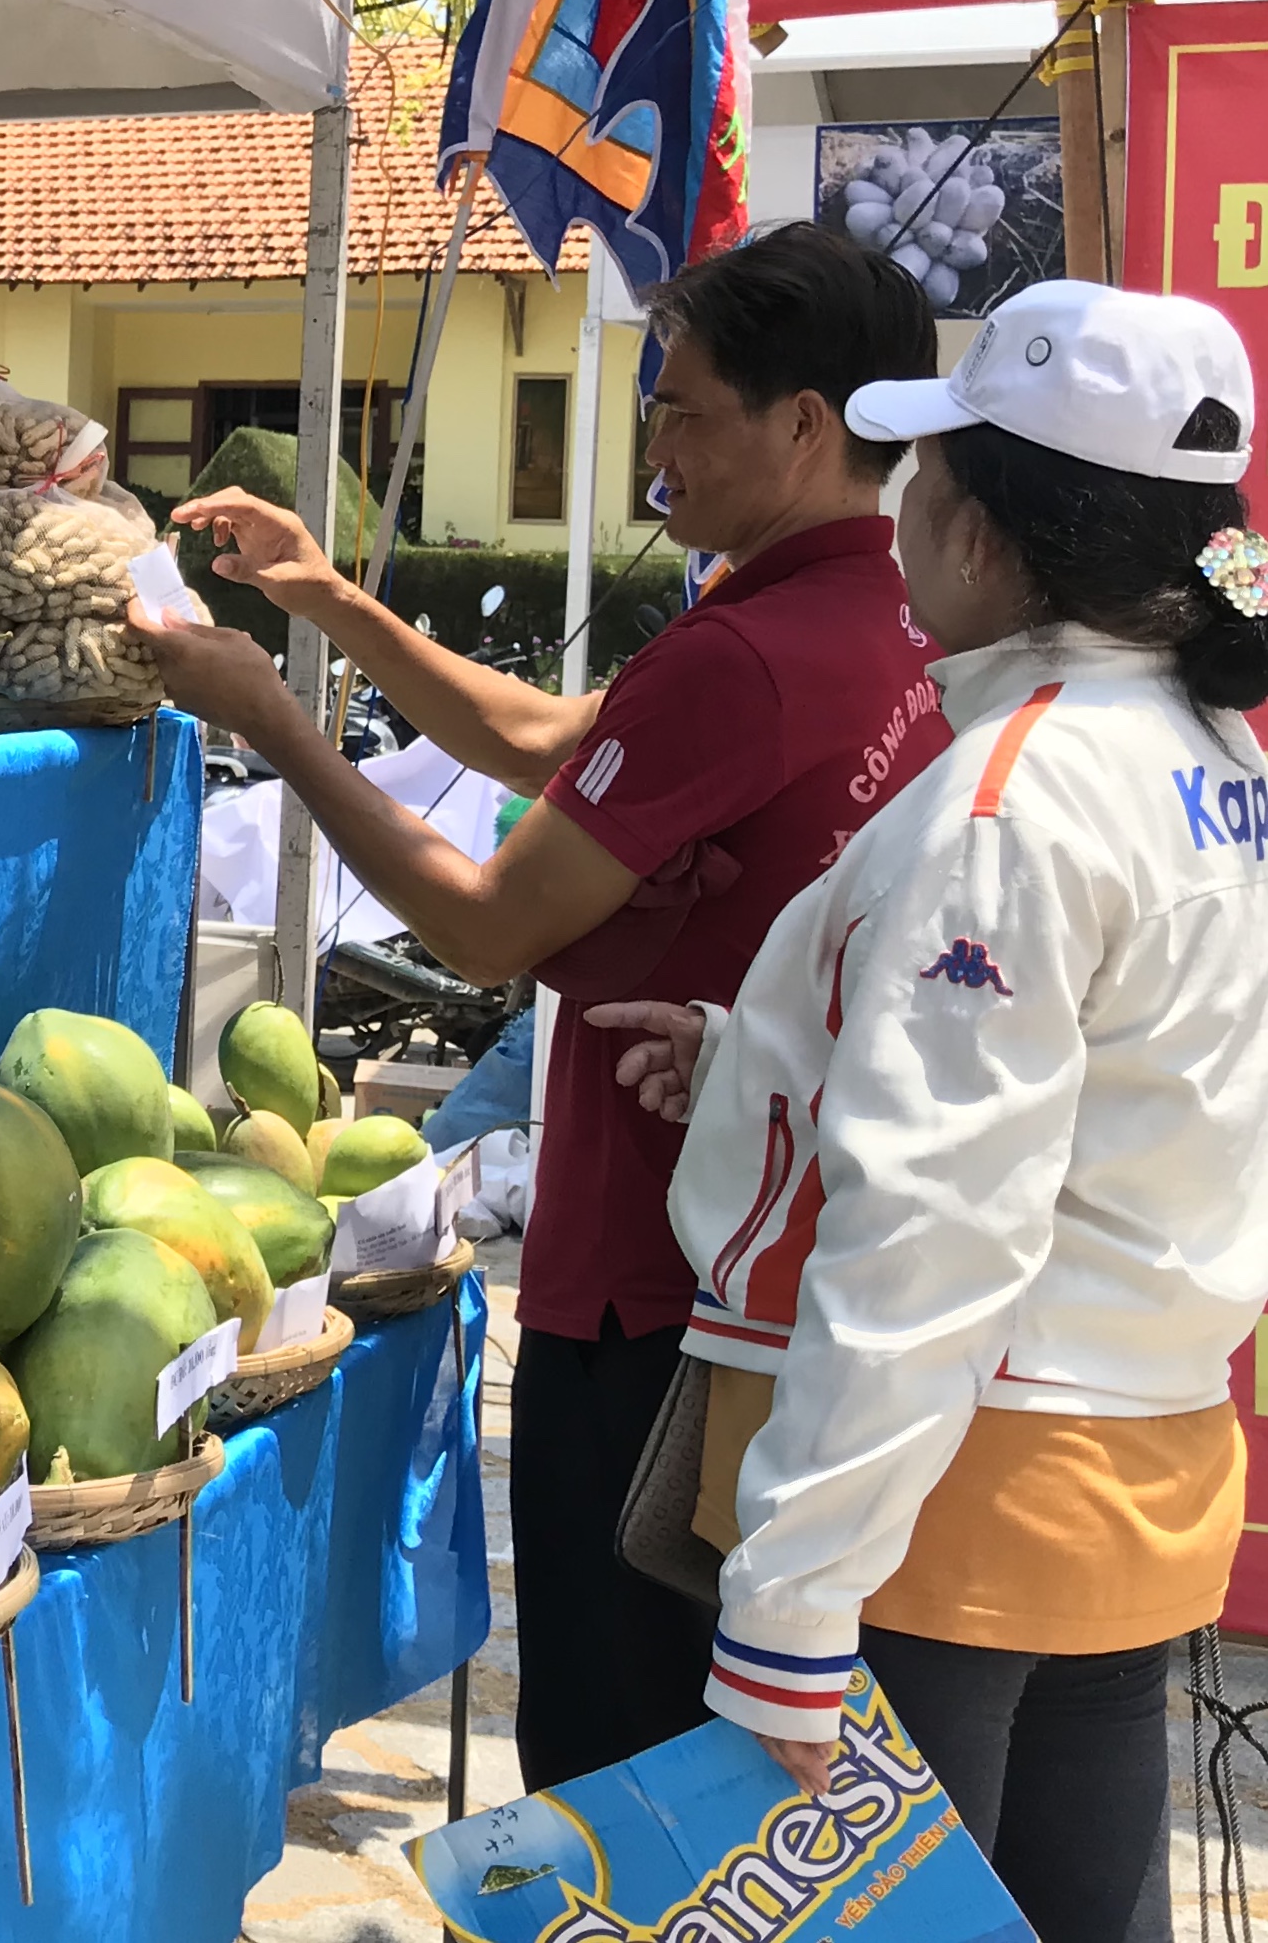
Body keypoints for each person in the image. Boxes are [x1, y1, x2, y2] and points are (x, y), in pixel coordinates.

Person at [133, 223, 952, 1790]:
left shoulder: (748, 656)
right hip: (798, 1261)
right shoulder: (897, 624)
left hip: (659, 1278)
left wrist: (275, 720)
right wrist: (328, 601)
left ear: (803, 425)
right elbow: (555, 738)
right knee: (720, 1759)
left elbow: (488, 922)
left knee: (613, 1749)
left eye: (682, 408)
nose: (654, 444)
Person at [586, 281, 1268, 1941]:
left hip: (945, 1503)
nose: (895, 516)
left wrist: (791, 1616)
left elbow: (932, 1230)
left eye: (919, 479)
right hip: (1124, 1475)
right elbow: (1111, 1091)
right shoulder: (1209, 750)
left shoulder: (1010, 797)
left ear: (982, 527)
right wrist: (773, 1069)